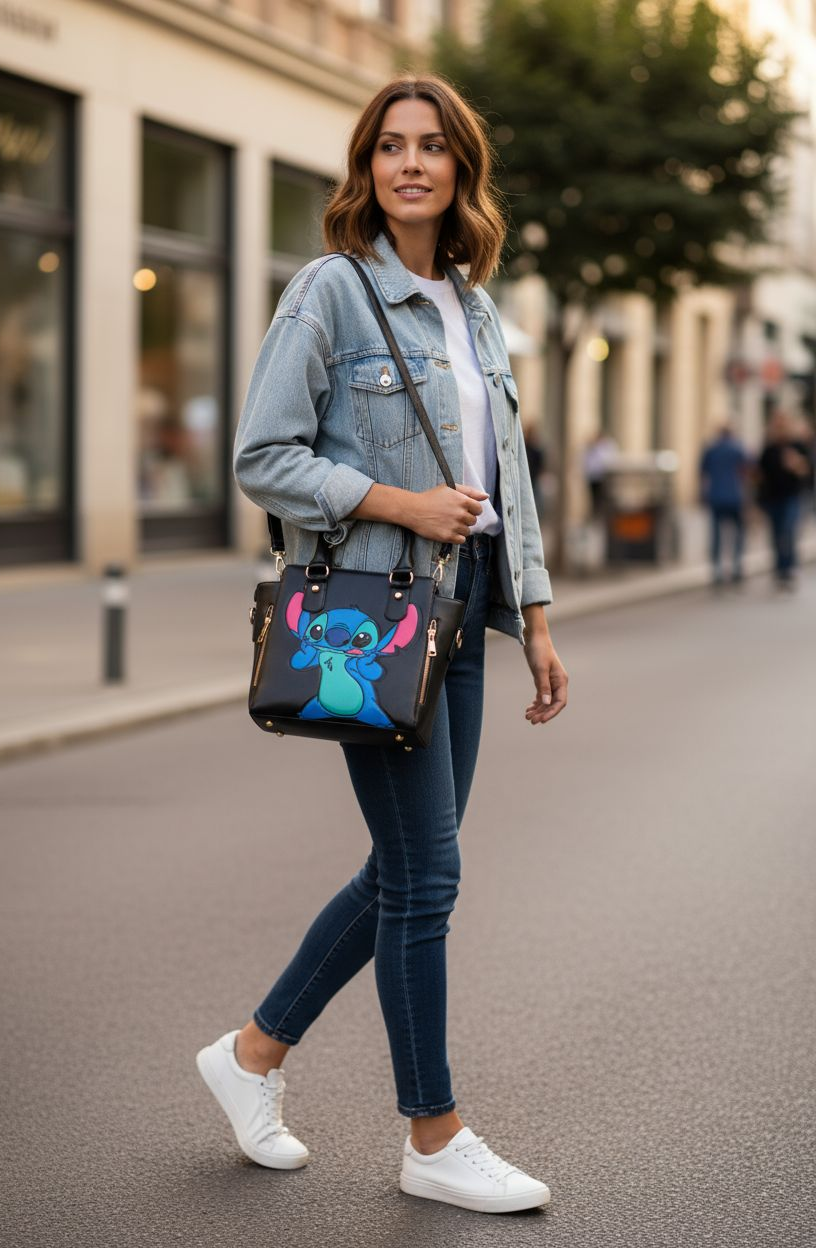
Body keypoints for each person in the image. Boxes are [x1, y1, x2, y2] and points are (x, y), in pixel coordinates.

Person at [195, 74, 568, 1215]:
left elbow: (506, 477)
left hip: (457, 623)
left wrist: (537, 616)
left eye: (432, 148)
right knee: (428, 878)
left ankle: (251, 1055)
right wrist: (399, 504)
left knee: (403, 870)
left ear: (461, 169)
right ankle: (432, 1133)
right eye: (389, 148)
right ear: (366, 169)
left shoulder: (474, 305)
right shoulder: (330, 292)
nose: (411, 165)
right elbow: (264, 455)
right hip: (373, 616)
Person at [757, 410, 814, 590]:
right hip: (773, 497)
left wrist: (797, 463)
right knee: (775, 534)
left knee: (788, 531)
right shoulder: (769, 448)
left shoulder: (797, 446)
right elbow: (760, 474)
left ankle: (789, 568)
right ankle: (779, 570)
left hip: (792, 496)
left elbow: (808, 472)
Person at [699, 423, 750, 586]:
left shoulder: (711, 449)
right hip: (735, 496)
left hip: (716, 496)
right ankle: (736, 566)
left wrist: (702, 494)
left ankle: (717, 569)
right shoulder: (738, 449)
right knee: (738, 533)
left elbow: (702, 472)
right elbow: (749, 469)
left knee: (716, 534)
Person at [582, 430, 618, 518]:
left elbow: (610, 460)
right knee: (595, 499)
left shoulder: (607, 446)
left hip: (603, 477)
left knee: (603, 499)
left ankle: (602, 515)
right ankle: (596, 515)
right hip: (593, 478)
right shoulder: (591, 448)